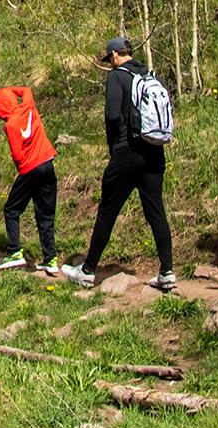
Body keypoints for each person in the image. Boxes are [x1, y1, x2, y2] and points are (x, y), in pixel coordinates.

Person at [65, 36, 175, 292]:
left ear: (115, 56)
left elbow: (113, 115)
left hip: (127, 152)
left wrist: (116, 145)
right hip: (154, 152)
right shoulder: (149, 75)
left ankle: (88, 270)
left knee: (108, 210)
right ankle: (167, 272)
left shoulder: (117, 77)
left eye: (110, 58)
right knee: (156, 211)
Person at [0, 84, 69, 275]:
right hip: (48, 164)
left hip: (30, 169)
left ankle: (15, 253)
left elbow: (17, 155)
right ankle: (50, 259)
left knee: (11, 209)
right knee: (45, 214)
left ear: (0, 109)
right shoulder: (29, 107)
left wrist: (23, 169)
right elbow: (25, 90)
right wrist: (6, 91)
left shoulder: (11, 125)